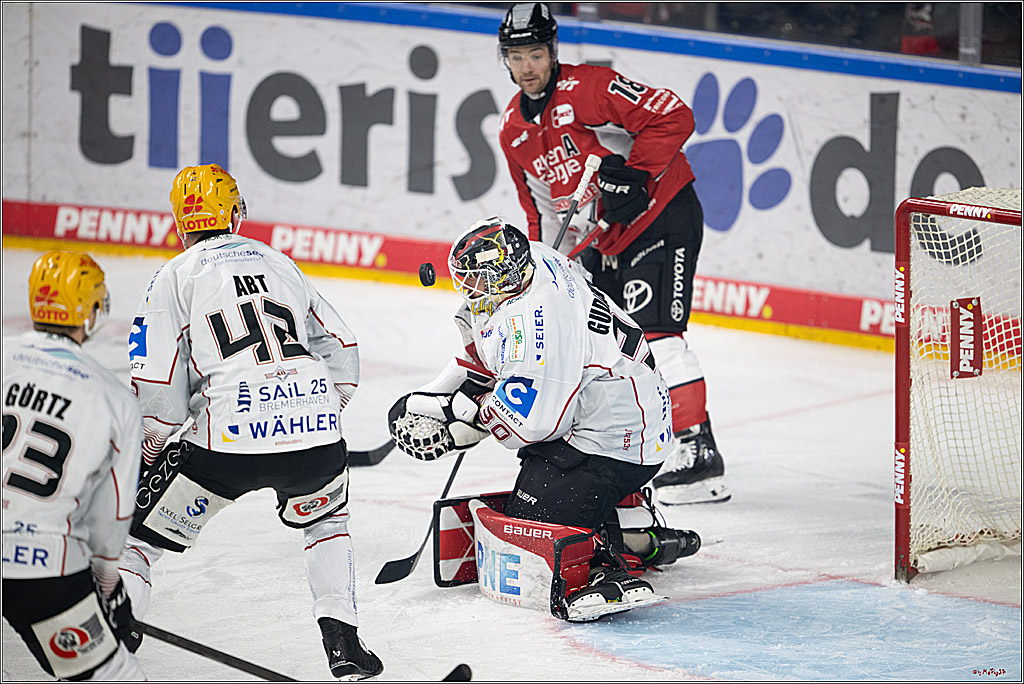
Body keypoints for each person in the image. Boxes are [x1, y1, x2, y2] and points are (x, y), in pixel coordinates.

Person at [116, 163, 382, 679]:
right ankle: (344, 644)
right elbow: (342, 347)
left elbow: (159, 381)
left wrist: (154, 444)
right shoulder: (278, 262)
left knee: (138, 540)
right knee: (327, 524)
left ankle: (115, 641)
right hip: (316, 444)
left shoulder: (175, 274)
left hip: (224, 451)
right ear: (236, 214)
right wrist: (317, 411)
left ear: (180, 221)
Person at [388, 217, 699, 620]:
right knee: (543, 491)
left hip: (615, 446)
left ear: (503, 279)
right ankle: (638, 529)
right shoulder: (537, 255)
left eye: (477, 281)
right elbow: (487, 354)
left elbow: (529, 426)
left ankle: (606, 566)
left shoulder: (536, 333)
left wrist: (455, 420)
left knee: (530, 525)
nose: (469, 290)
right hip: (632, 418)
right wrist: (432, 394)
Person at [495, 3, 729, 505]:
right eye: (517, 56)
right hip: (605, 238)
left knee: (659, 335)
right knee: (602, 343)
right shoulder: (512, 131)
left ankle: (699, 455)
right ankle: (616, 445)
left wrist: (640, 174)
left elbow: (673, 115)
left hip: (663, 215)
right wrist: (545, 269)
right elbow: (541, 212)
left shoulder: (592, 88)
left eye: (536, 53)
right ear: (506, 61)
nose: (528, 66)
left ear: (553, 51)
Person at [3, 251, 146, 680]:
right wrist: (106, 585)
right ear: (91, 310)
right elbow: (113, 515)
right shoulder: (113, 398)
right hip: (40, 564)